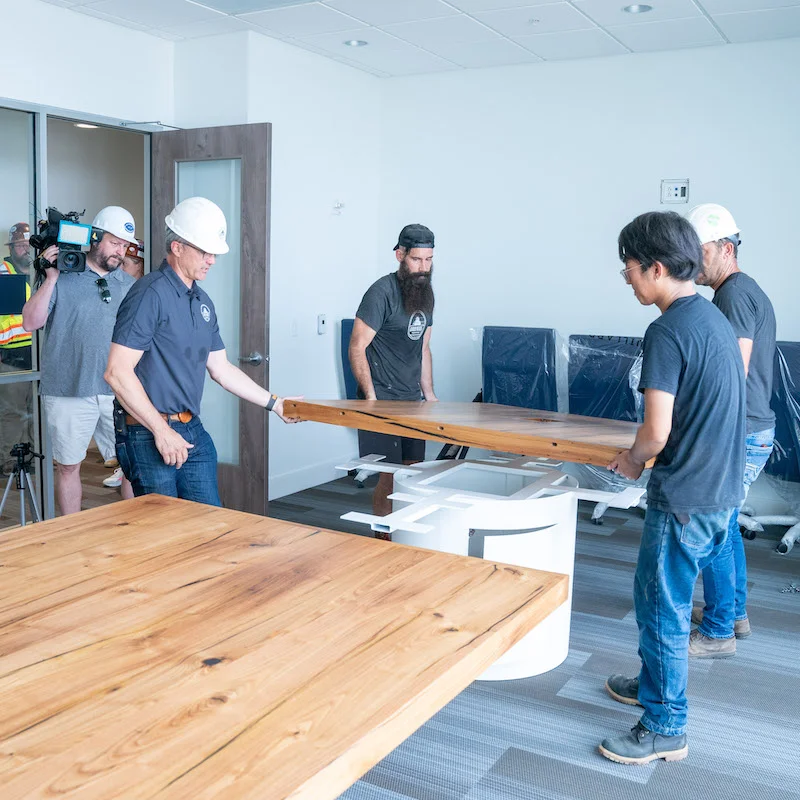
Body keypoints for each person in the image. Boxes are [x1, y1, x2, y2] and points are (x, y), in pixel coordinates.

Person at [600, 210, 745, 765]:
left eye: (629, 269)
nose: (627, 279)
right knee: (662, 599)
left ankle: (666, 726)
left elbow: (655, 431)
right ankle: (652, 684)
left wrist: (633, 459)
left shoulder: (665, 331)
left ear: (655, 267)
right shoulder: (711, 320)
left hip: (683, 496)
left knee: (662, 607)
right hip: (718, 490)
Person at [105, 196, 299, 505]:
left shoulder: (202, 301)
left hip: (191, 428)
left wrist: (275, 403)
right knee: (165, 534)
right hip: (147, 432)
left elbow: (221, 369)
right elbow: (116, 371)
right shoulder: (149, 294)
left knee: (210, 527)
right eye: (205, 251)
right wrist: (161, 430)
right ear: (177, 247)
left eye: (214, 253)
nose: (212, 260)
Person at [686, 203, 776, 656]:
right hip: (754, 428)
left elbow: (732, 373)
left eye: (697, 250)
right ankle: (734, 612)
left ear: (725, 248)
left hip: (741, 431)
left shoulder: (733, 295)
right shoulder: (746, 289)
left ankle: (719, 631)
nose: (690, 260)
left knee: (713, 524)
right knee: (726, 523)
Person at [22, 207, 137, 514]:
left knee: (132, 465)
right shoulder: (61, 275)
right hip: (67, 388)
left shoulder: (127, 284)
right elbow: (30, 322)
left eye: (125, 245)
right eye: (114, 242)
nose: (120, 251)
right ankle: (71, 534)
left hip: (119, 390)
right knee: (69, 467)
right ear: (95, 238)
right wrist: (50, 278)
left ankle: (134, 537)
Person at [348, 223, 438, 528]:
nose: (423, 268)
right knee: (391, 476)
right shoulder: (381, 292)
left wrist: (430, 396)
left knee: (414, 474)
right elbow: (357, 346)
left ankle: (407, 535)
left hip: (411, 400)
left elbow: (423, 349)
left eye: (428, 260)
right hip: (382, 399)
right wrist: (371, 399)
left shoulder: (426, 293)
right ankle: (384, 537)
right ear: (400, 254)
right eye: (416, 260)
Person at [103, 238, 146, 489]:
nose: (121, 268)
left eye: (127, 263)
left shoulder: (149, 293)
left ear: (140, 265)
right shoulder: (118, 289)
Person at [0, 222, 34, 470]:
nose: (26, 250)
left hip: (39, 355)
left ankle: (32, 459)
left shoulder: (43, 272)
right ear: (11, 248)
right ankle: (10, 461)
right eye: (21, 245)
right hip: (10, 355)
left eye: (29, 245)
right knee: (12, 412)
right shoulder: (3, 273)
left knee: (36, 411)